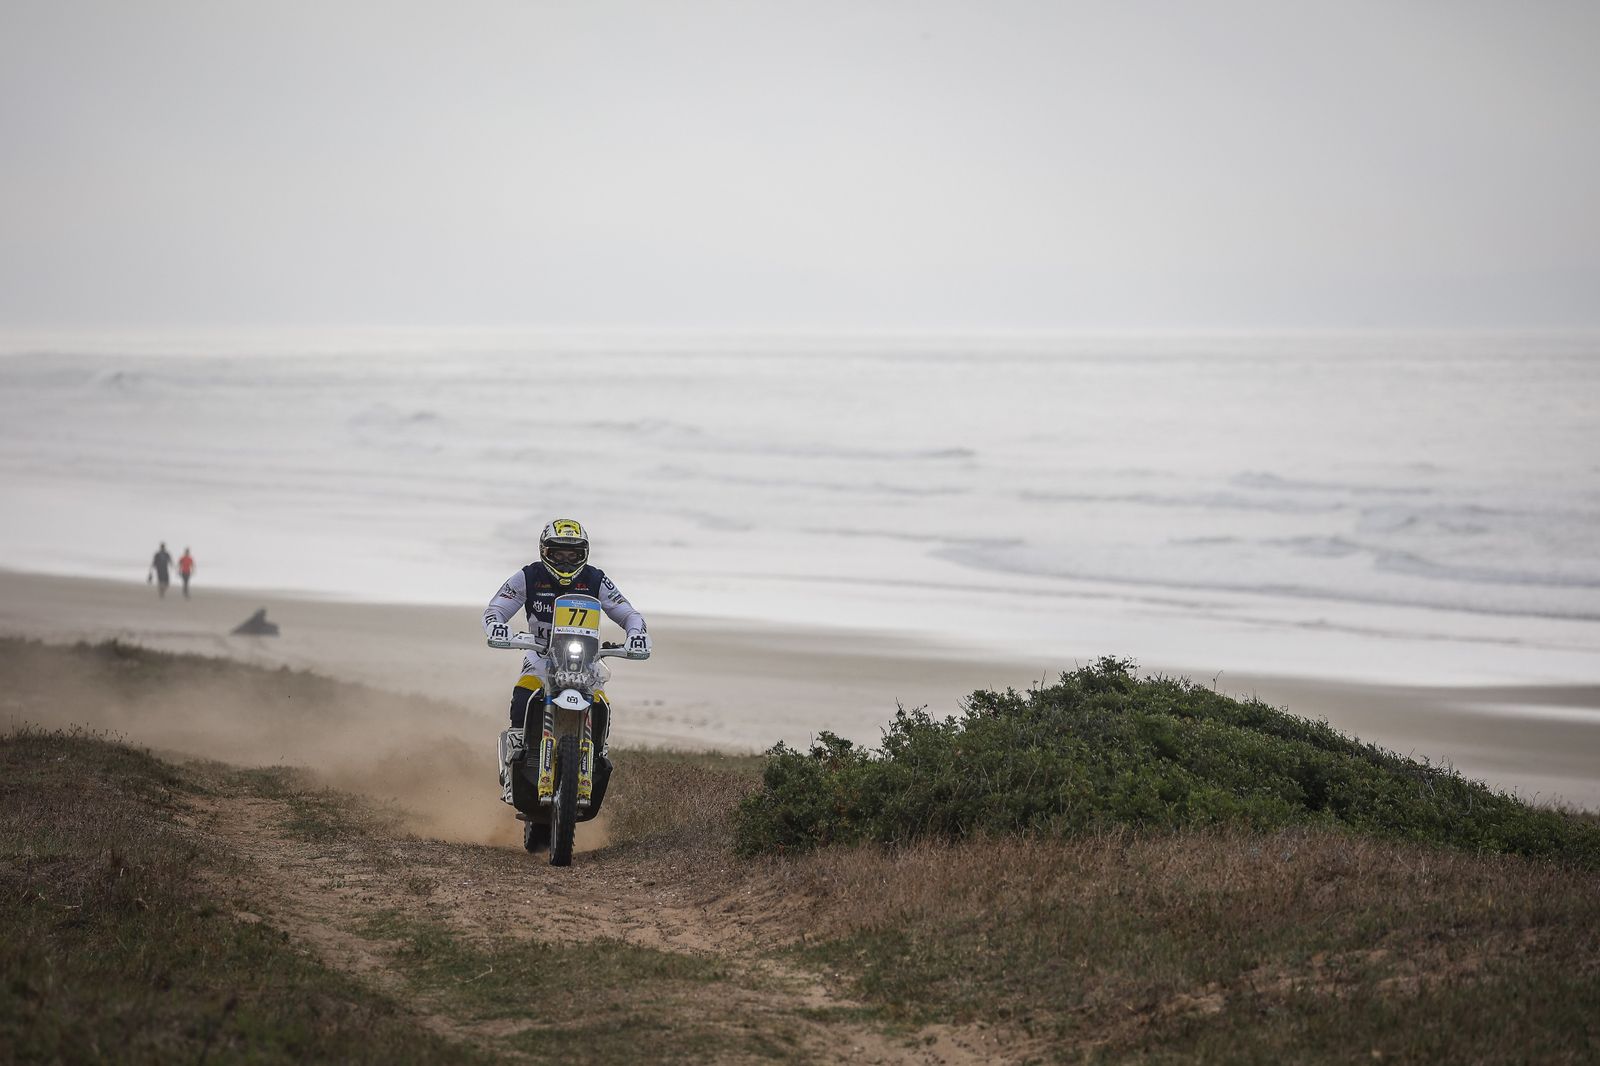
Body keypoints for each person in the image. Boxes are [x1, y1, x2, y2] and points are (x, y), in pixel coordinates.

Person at [482, 519, 651, 805]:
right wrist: (497, 626)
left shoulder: (596, 579)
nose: (565, 560)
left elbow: (629, 613)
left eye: (572, 554)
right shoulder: (528, 576)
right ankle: (513, 768)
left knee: (601, 704)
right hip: (540, 655)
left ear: (583, 553)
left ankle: (597, 754)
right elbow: (496, 608)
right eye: (557, 553)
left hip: (585, 661)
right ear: (544, 551)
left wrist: (636, 634)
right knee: (523, 699)